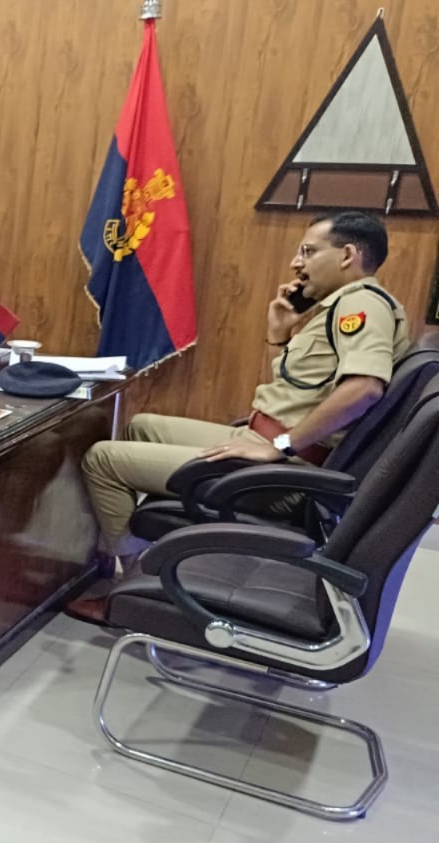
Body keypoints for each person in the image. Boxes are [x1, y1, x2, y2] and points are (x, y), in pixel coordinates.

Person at [74, 212, 409, 620]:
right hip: (265, 442)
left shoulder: (361, 304)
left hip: (285, 472)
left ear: (347, 255)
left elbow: (365, 387)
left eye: (308, 251)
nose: (296, 263)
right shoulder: (339, 306)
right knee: (142, 426)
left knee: (103, 460)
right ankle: (140, 559)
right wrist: (279, 333)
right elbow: (295, 387)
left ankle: (131, 586)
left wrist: (281, 447)